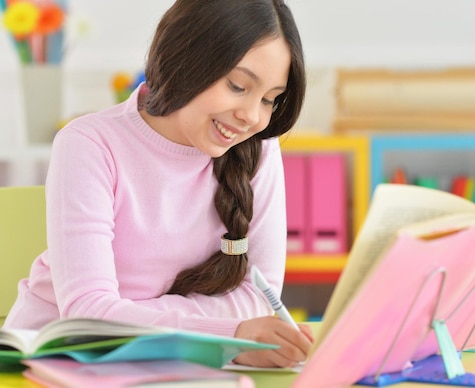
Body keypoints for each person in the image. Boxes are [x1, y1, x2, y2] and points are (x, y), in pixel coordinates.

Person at [4, 0, 313, 368]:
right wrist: (225, 332)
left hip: (177, 363)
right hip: (58, 362)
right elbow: (87, 316)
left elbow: (260, 299)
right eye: (237, 85)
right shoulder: (89, 143)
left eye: (269, 99)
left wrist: (129, 315)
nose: (251, 116)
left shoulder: (258, 149)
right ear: (185, 58)